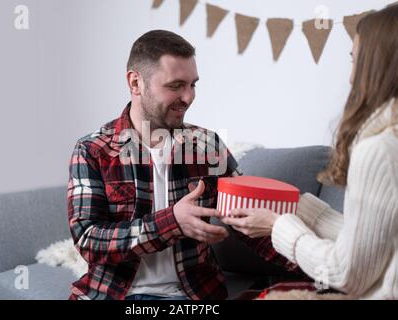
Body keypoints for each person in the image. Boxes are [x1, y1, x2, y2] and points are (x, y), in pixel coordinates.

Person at [67, 30, 297, 300]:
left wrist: (312, 262)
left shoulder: (207, 146)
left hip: (193, 294)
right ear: (135, 82)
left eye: (193, 84)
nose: (188, 97)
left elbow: (249, 222)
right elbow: (88, 240)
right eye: (175, 86)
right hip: (114, 294)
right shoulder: (93, 150)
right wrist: (172, 222)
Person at [221, 4, 398, 299]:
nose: (351, 77)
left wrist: (278, 226)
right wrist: (300, 208)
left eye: (354, 61)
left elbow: (346, 274)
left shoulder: (379, 149)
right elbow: (370, 241)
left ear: (375, 66)